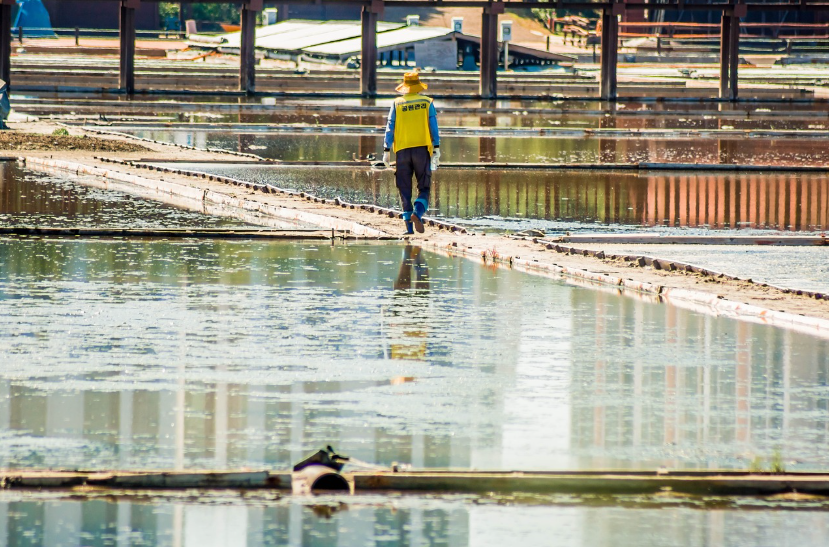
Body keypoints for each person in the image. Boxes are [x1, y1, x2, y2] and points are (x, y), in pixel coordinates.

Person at [383, 72, 441, 234]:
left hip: (401, 151)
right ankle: (418, 213)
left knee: (404, 188)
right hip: (422, 150)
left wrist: (386, 149)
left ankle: (409, 228)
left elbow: (390, 126)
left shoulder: (397, 103)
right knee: (424, 186)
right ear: (418, 86)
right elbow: (433, 126)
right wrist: (436, 147)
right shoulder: (426, 102)